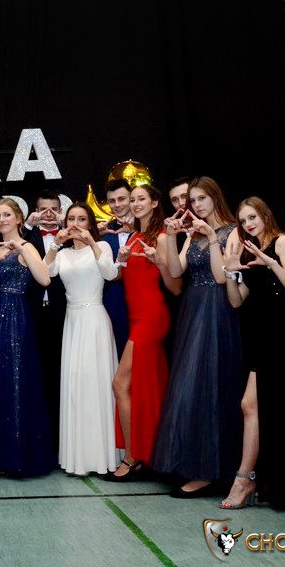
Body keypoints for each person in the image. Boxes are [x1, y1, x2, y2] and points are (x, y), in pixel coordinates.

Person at [154, 176, 243, 498]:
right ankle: (194, 464)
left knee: (211, 385)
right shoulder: (193, 233)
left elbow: (221, 276)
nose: (196, 205)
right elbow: (176, 271)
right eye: (193, 201)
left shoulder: (232, 231)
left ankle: (210, 471)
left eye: (202, 198)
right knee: (189, 386)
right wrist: (170, 236)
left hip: (218, 310)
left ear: (215, 197)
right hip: (193, 308)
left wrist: (212, 237)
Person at [219, 197, 285, 510]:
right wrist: (231, 274)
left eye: (252, 217)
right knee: (266, 410)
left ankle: (245, 479)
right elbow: (236, 300)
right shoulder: (249, 250)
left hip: (282, 336)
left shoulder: (282, 241)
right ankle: (272, 482)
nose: (248, 224)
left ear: (265, 214)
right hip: (258, 336)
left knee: (252, 405)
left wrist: (270, 262)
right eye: (243, 221)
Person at [104, 184, 181, 482]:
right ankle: (152, 454)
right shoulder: (134, 236)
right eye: (133, 199)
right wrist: (121, 259)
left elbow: (175, 286)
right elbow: (122, 277)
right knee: (146, 389)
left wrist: (158, 261)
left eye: (141, 199)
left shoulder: (161, 237)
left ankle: (133, 455)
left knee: (120, 384)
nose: (135, 204)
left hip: (152, 318)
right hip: (136, 317)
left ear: (154, 203)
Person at [0, 198, 56, 477]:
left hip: (16, 316)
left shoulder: (27, 246)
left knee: (16, 379)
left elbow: (45, 279)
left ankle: (18, 457)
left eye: (7, 215)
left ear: (19, 218)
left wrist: (21, 248)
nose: (2, 220)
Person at [44, 203, 120, 476]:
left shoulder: (103, 246)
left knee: (96, 383)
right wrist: (55, 244)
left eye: (82, 219)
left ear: (90, 223)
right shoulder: (62, 254)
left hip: (95, 320)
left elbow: (111, 273)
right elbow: (45, 273)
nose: (76, 223)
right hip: (72, 322)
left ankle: (101, 457)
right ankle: (78, 457)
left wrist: (92, 243)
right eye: (71, 219)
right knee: (76, 385)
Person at [26, 190, 68, 455]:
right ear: (35, 211)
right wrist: (29, 226)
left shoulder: (71, 236)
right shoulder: (27, 236)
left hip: (63, 313)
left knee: (60, 374)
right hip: (31, 314)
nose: (49, 214)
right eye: (44, 209)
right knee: (35, 374)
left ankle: (62, 439)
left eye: (54, 209)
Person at [100, 179, 133, 356]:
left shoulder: (148, 228)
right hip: (113, 300)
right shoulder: (104, 232)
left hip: (143, 299)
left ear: (131, 198)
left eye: (122, 199)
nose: (117, 205)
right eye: (112, 201)